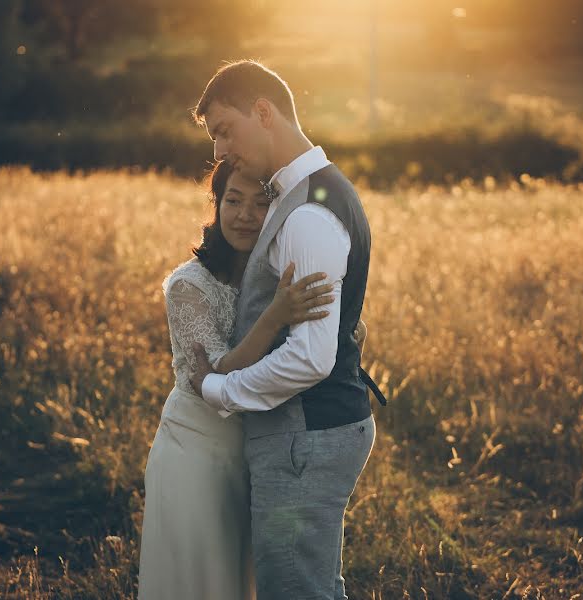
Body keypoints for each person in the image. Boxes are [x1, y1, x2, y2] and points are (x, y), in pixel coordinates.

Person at [189, 60, 387, 600]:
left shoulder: (308, 212)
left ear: (263, 111)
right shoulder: (310, 193)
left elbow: (310, 358)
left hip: (306, 435)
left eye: (224, 131)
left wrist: (221, 390)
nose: (220, 152)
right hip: (312, 433)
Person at [137, 160, 345, 600]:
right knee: (201, 580)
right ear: (217, 205)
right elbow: (214, 379)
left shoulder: (274, 279)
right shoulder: (187, 286)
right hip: (195, 452)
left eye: (260, 203)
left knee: (244, 582)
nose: (245, 215)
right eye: (233, 201)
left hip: (256, 453)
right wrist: (274, 318)